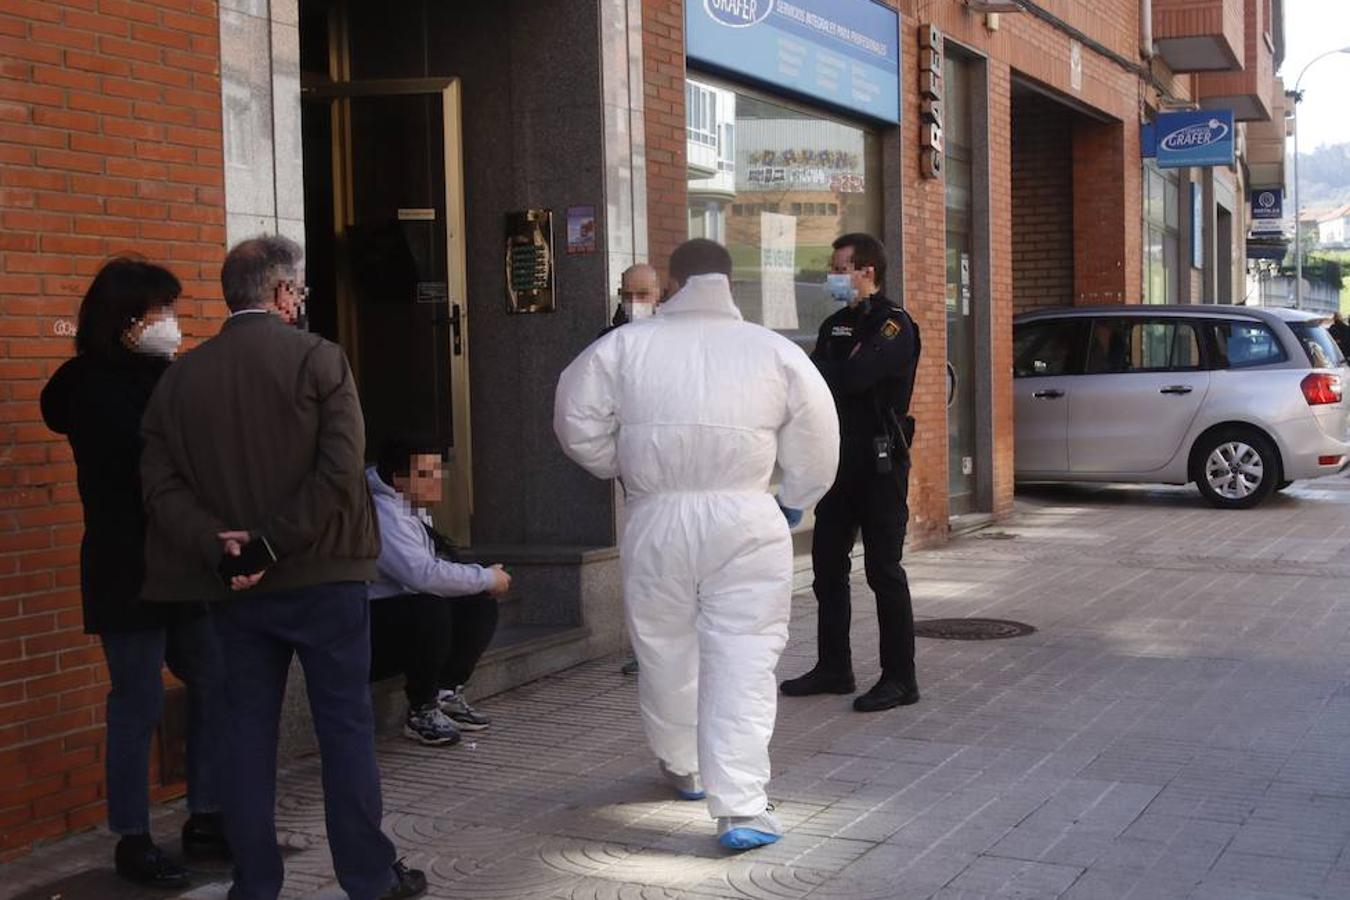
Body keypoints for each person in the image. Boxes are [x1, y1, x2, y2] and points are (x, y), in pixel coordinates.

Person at [139, 236, 425, 900]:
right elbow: (339, 473)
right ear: (280, 292)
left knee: (246, 739)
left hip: (233, 587)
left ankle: (256, 883)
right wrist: (271, 544)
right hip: (324, 576)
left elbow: (159, 486)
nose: (300, 302)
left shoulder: (180, 377)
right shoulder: (319, 360)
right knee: (345, 729)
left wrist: (223, 547)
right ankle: (368, 878)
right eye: (299, 290)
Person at [554, 239, 839, 851]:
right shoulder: (772, 350)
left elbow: (575, 420)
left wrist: (624, 467)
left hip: (658, 514)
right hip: (746, 513)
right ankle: (740, 805)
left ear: (672, 282)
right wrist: (794, 494)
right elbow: (819, 433)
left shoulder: (624, 346)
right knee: (744, 655)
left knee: (664, 647)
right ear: (729, 280)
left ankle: (682, 764)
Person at [40, 259, 229, 889]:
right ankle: (133, 836)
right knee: (137, 701)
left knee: (212, 679)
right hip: (129, 564)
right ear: (126, 320)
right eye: (161, 312)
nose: (172, 324)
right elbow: (148, 469)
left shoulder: (165, 377)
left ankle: (205, 815)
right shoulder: (92, 388)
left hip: (186, 561)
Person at [780, 232, 923, 714]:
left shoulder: (894, 326)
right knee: (826, 567)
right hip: (839, 461)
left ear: (867, 271)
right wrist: (828, 372)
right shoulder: (835, 324)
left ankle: (901, 678)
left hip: (881, 465)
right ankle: (834, 667)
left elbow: (852, 380)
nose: (831, 276)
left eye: (839, 267)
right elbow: (816, 385)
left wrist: (826, 371)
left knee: (883, 571)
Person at [366, 437, 511, 745]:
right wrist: (485, 577)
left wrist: (481, 581)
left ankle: (446, 692)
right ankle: (422, 708)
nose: (436, 483)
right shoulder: (384, 513)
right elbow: (421, 575)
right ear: (397, 479)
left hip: (400, 612)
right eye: (426, 475)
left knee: (476, 601)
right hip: (368, 627)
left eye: (437, 473)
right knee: (429, 608)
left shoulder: (409, 504)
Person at [604, 263, 664, 676]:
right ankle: (650, 651)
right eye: (629, 293)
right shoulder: (610, 340)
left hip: (676, 464)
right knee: (645, 562)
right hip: (636, 466)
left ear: (659, 294)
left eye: (643, 294)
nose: (635, 302)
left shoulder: (677, 338)